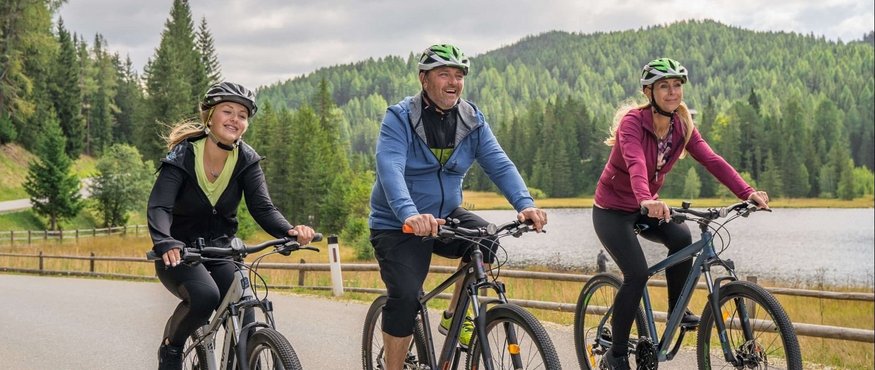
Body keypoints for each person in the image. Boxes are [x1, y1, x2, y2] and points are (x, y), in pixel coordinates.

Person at [368, 43, 548, 370]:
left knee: (487, 239)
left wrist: (525, 205)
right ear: (424, 79)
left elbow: (499, 164)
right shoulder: (399, 118)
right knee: (406, 297)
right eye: (444, 74)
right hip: (397, 223)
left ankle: (454, 317)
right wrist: (409, 213)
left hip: (445, 215)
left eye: (459, 75)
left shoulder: (472, 120)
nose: (453, 82)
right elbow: (389, 167)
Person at [591, 58, 769, 370]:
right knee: (636, 273)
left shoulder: (682, 126)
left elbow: (712, 160)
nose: (673, 92)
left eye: (677, 85)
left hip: (645, 205)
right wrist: (646, 198)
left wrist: (747, 192)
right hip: (612, 211)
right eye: (664, 86)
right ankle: (616, 354)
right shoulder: (633, 123)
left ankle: (678, 311)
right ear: (649, 91)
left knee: (683, 236)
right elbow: (635, 163)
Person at [147, 81, 316, 370]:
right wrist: (166, 241)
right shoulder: (183, 156)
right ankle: (172, 347)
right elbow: (160, 206)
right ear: (209, 116)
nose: (235, 119)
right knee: (204, 296)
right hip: (181, 254)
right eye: (228, 111)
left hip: (223, 251)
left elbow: (263, 208)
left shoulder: (246, 159)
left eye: (242, 115)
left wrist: (288, 230)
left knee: (248, 311)